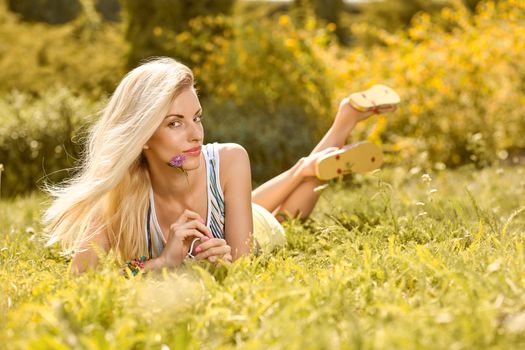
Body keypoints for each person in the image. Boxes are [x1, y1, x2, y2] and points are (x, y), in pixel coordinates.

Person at [43, 57, 398, 275]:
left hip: (258, 230)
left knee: (284, 217)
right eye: (175, 123)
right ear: (143, 135)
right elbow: (83, 279)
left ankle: (333, 135)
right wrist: (162, 262)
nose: (195, 134)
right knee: (266, 200)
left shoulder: (229, 157)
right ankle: (311, 161)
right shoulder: (116, 197)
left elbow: (242, 262)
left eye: (196, 118)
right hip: (242, 205)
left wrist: (225, 260)